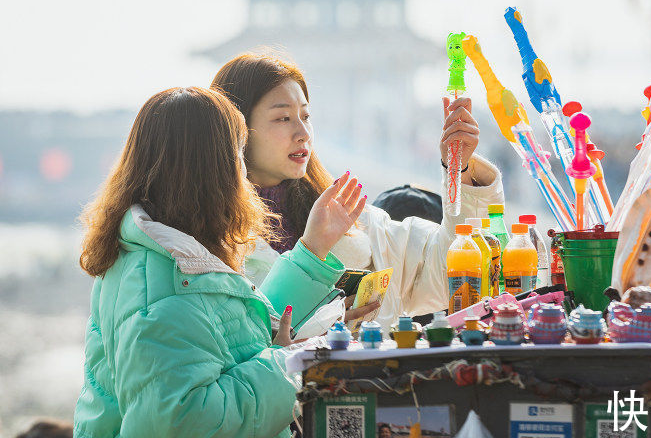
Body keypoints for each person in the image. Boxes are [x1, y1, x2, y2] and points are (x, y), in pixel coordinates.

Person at [73, 87, 366, 437]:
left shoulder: (165, 255)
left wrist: (313, 247)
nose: (243, 173)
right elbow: (182, 421)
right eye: (237, 156)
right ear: (213, 172)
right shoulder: (168, 284)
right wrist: (289, 366)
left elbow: (231, 340)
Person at [211, 52, 504, 327]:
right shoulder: (210, 243)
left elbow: (450, 273)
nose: (303, 133)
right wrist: (321, 327)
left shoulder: (352, 219)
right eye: (283, 118)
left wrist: (459, 169)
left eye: (306, 116)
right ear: (238, 129)